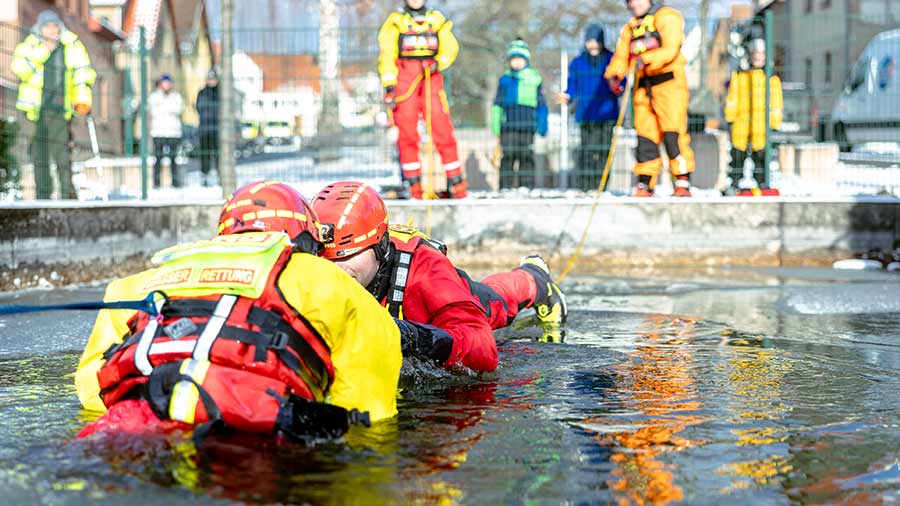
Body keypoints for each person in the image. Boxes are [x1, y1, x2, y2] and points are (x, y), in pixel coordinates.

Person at [75, 181, 401, 440]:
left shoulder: (132, 286)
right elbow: (368, 412)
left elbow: (91, 390)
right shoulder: (332, 281)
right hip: (256, 432)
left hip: (131, 427)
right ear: (307, 240)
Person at [311, 181, 568, 373]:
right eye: (326, 257)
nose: (335, 269)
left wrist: (414, 338)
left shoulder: (424, 271)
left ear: (380, 245)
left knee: (495, 303)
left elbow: (483, 350)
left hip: (443, 296)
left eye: (347, 255)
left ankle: (534, 278)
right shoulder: (312, 267)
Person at [378, 0, 467, 199]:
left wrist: (439, 62)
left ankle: (457, 185)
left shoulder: (437, 20)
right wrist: (389, 86)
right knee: (407, 134)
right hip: (405, 82)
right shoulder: (395, 22)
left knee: (442, 130)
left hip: (430, 78)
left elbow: (450, 48)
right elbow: (387, 56)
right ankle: (414, 188)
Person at [605, 0, 695, 197]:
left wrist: (644, 60)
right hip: (643, 87)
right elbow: (621, 57)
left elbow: (671, 49)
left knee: (673, 133)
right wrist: (614, 74)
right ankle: (646, 183)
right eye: (630, 2)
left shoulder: (668, 17)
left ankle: (682, 180)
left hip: (669, 84)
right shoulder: (630, 28)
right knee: (646, 136)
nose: (633, 5)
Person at [11, 9, 95, 199]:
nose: (51, 30)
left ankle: (67, 196)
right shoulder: (29, 46)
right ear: (40, 29)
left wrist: (82, 100)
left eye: (54, 26)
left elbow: (83, 74)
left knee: (63, 157)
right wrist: (44, 50)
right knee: (39, 157)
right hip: (34, 112)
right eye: (47, 26)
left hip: (60, 110)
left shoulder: (72, 46)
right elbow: (19, 69)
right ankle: (43, 197)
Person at [558, 24, 621, 192]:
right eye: (590, 41)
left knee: (603, 152)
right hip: (586, 115)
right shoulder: (578, 63)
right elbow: (573, 86)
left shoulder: (612, 60)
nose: (593, 46)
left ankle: (601, 187)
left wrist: (618, 86)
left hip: (607, 114)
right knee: (586, 151)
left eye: (597, 41)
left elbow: (620, 81)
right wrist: (568, 95)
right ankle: (585, 186)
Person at [724, 38, 783, 194]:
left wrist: (775, 123)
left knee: (761, 157)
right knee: (737, 156)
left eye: (762, 56)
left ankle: (762, 183)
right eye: (756, 55)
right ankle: (734, 183)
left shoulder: (771, 79)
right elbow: (732, 98)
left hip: (761, 125)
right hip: (741, 122)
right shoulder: (739, 76)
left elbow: (776, 103)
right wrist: (730, 118)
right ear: (750, 56)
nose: (758, 59)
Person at [491, 38, 548, 189]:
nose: (516, 62)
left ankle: (526, 187)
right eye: (513, 59)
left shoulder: (535, 79)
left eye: (520, 59)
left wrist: (542, 124)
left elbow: (541, 104)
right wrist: (495, 124)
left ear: (526, 60)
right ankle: (506, 187)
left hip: (528, 125)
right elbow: (497, 104)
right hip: (508, 125)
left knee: (526, 156)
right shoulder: (505, 80)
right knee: (508, 156)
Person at [149, 74, 184, 188]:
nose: (167, 85)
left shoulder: (176, 96)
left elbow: (178, 109)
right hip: (159, 132)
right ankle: (156, 183)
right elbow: (154, 111)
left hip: (173, 132)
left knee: (173, 159)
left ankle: (175, 182)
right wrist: (168, 108)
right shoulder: (154, 96)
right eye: (164, 83)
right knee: (158, 159)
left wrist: (164, 107)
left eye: (168, 83)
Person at [196, 70, 220, 187]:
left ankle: (220, 176)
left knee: (218, 155)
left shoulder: (220, 93)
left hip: (218, 129)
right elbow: (200, 108)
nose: (212, 81)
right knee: (205, 155)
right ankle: (205, 177)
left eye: (214, 79)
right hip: (205, 129)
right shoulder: (202, 93)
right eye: (210, 79)